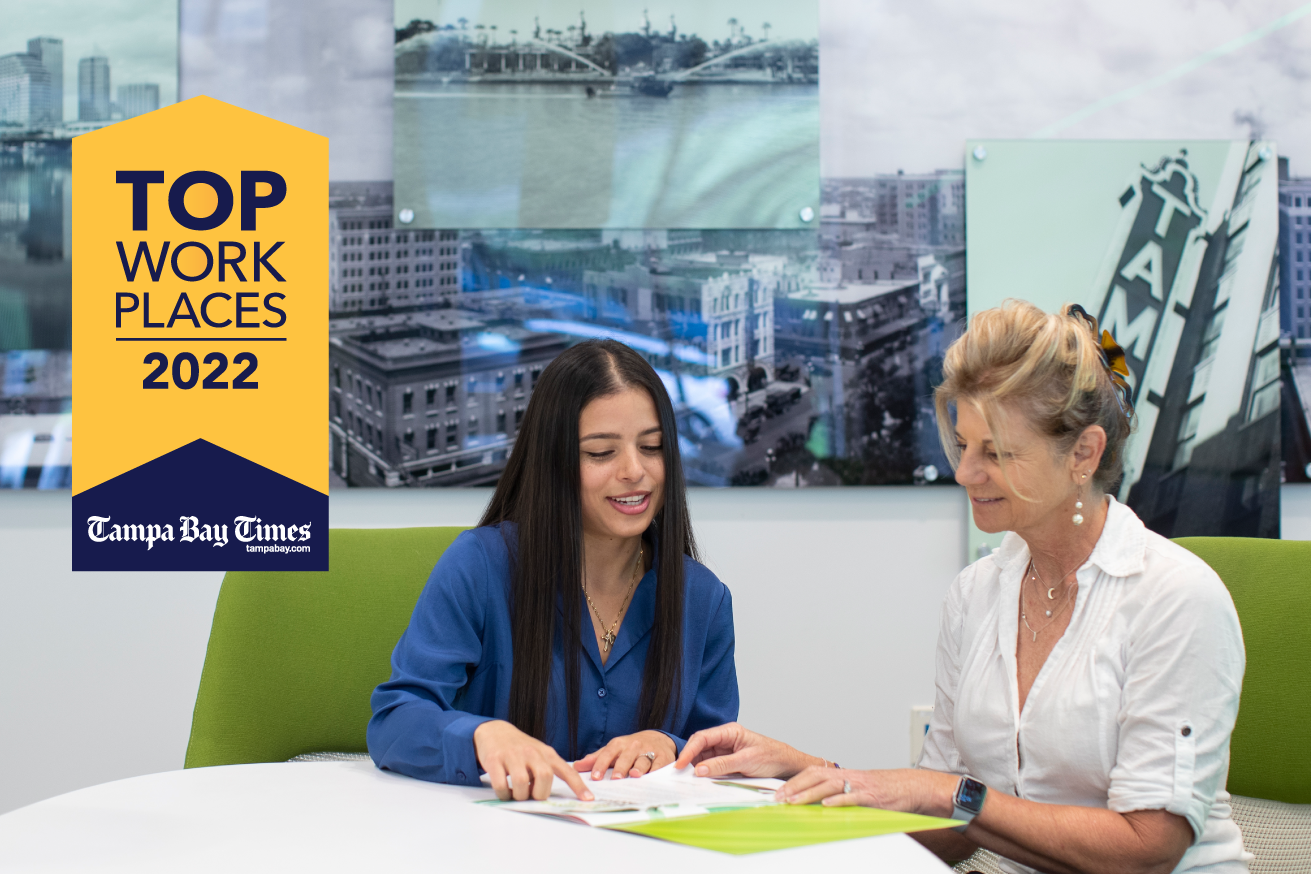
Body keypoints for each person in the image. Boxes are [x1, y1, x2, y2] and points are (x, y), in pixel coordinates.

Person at [674, 301, 1249, 874]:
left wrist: (955, 798)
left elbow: (1148, 849)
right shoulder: (977, 594)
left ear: (1084, 453)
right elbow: (946, 825)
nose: (965, 473)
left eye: (995, 453)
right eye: (963, 444)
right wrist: (808, 773)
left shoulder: (1175, 599)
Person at [368, 339, 738, 803]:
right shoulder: (480, 565)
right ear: (553, 462)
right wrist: (483, 737)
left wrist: (669, 745)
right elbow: (395, 719)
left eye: (652, 447)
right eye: (601, 452)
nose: (635, 470)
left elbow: (722, 752)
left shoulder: (702, 597)